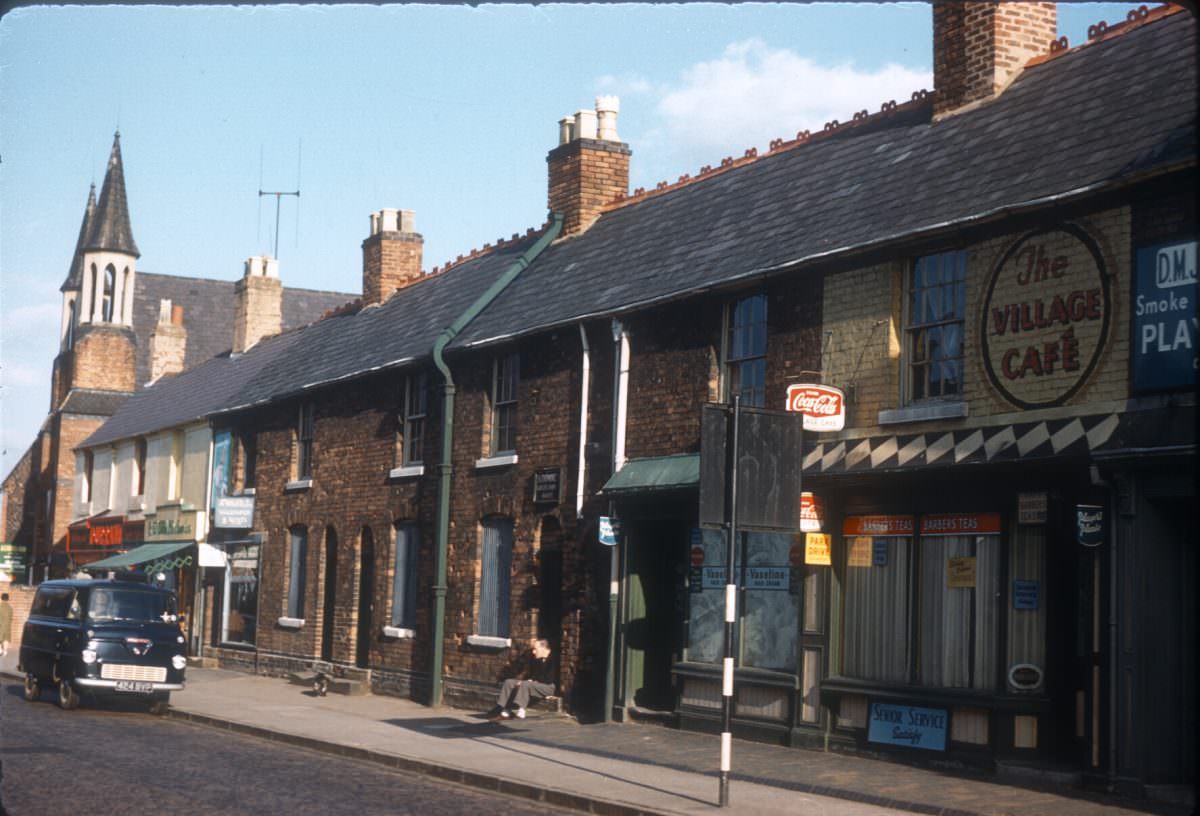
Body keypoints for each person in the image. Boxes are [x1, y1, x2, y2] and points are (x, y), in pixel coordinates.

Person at [486, 638, 555, 720]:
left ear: (543, 648)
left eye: (535, 649)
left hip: (548, 687)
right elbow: (532, 674)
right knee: (509, 682)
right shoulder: (536, 660)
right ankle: (505, 711)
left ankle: (521, 711)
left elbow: (549, 679)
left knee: (525, 684)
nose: (533, 652)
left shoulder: (553, 659)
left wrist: (532, 681)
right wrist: (525, 681)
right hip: (535, 684)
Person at [0, 592, 13, 658]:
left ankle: (0, 650)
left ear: (1, 598)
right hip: (7, 626)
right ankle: (5, 651)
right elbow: (11, 618)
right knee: (6, 639)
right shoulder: (10, 608)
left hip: (0, 625)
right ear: (8, 599)